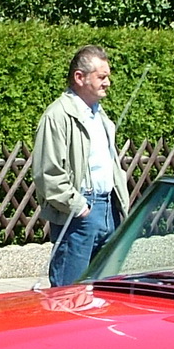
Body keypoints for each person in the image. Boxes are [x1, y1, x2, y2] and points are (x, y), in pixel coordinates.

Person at [32, 45, 132, 286]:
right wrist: (79, 207)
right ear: (79, 77)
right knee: (69, 294)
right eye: (102, 77)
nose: (108, 82)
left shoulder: (100, 116)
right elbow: (48, 173)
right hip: (78, 216)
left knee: (106, 294)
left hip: (110, 211)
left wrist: (121, 206)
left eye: (107, 76)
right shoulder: (57, 116)